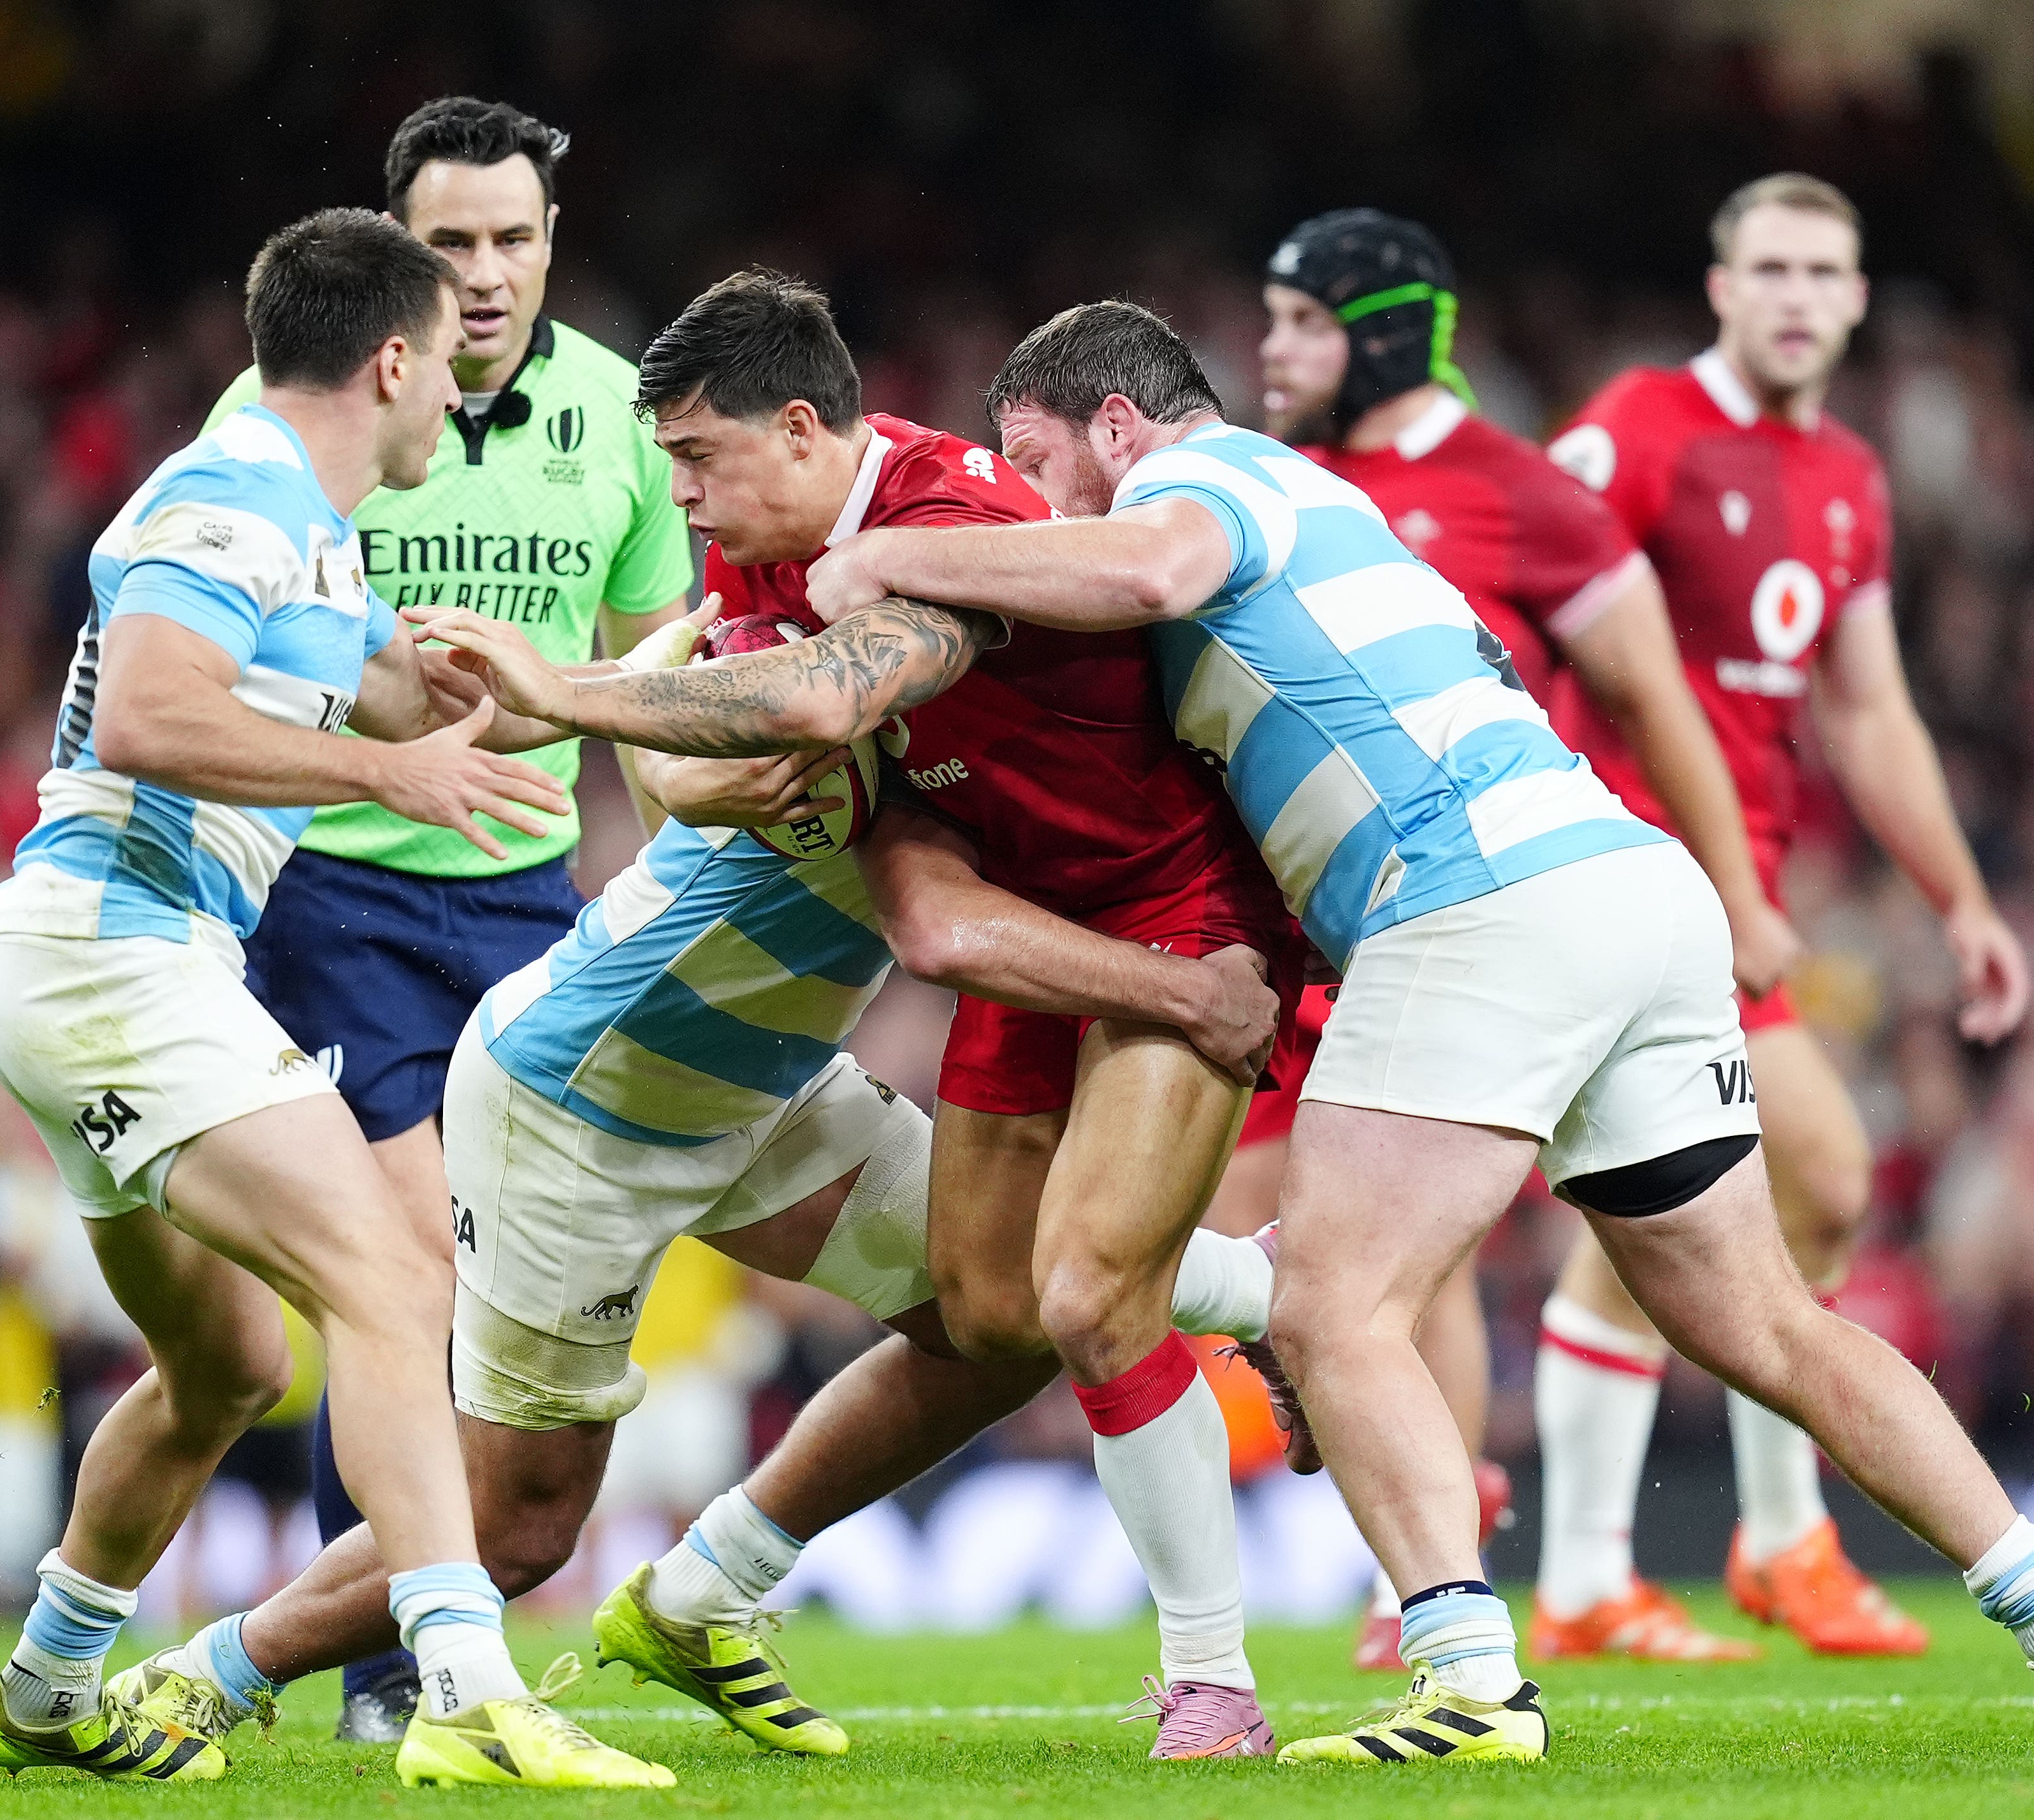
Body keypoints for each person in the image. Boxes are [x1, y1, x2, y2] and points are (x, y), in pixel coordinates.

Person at [794, 298, 2034, 1764]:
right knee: (1759, 1320)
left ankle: (1468, 1682)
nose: (1031, 504)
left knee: (1331, 1309)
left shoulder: (1207, 482)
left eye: (1039, 463)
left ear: (1118, 426)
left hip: (1478, 898)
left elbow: (1139, 562)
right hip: (1626, 891)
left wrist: (877, 554)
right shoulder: (1311, 507)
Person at [413, 270, 1309, 1758]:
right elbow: (730, 772)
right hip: (1009, 904)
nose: (683, 503)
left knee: (1087, 1300)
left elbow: (822, 711)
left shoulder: (950, 523)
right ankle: (1266, 1293)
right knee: (990, 1309)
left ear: (802, 426)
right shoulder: (772, 554)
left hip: (1162, 895)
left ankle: (1217, 1679)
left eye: (699, 461)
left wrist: (571, 697)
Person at [104, 657, 1286, 1761]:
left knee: (999, 1321)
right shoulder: (796, 653)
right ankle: (204, 1676)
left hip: (767, 1084)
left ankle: (702, 1591)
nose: (694, 498)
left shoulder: (958, 686)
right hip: (582, 1104)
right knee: (518, 1528)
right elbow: (667, 741)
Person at [0, 208, 668, 1791]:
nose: (459, 400)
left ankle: (46, 1687)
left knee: (224, 1372)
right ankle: (464, 1680)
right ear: (396, 360)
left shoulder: (313, 531)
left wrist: (578, 677)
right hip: (110, 949)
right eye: (447, 368)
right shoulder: (235, 496)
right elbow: (145, 711)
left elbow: (406, 695)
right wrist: (380, 770)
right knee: (391, 1283)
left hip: (107, 961)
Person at [1232, 206, 1790, 1666]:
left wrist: (1735, 893)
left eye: (1297, 322)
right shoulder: (1249, 483)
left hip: (1462, 923)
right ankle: (1447, 1529)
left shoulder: (1514, 492)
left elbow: (1651, 694)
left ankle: (1436, 1568)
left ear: (1374, 334)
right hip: (1282, 931)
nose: (1267, 350)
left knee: (1415, 1265)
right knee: (1262, 1247)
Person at [201, 99, 694, 1741]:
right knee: (413, 1266)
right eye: (450, 245)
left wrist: (665, 855)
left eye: (513, 241)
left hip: (527, 898)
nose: (481, 277)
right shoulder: (289, 415)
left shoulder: (623, 416)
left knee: (481, 1290)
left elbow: (647, 678)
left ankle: (323, 1633)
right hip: (330, 890)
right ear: (397, 252)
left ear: (552, 245)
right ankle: (394, 1665)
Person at [1531, 173, 2031, 1660]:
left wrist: (1962, 899)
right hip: (1626, 875)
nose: (1799, 294)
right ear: (1720, 286)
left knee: (1719, 1213)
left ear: (1857, 298)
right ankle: (1765, 1544)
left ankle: (1611, 1571)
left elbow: (1867, 710)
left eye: (1826, 270)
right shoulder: (1631, 430)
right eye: (1772, 267)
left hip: (1727, 891)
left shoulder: (1845, 481)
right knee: (1810, 1166)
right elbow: (1503, 586)